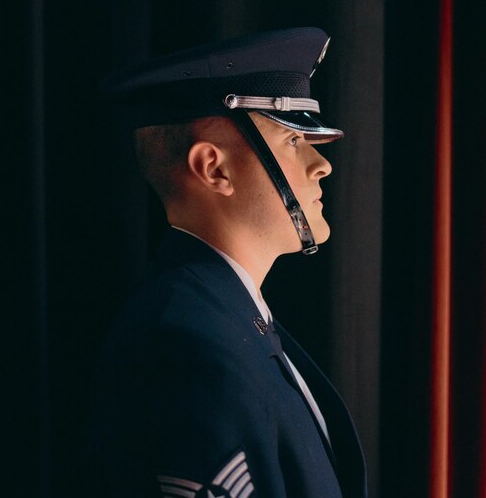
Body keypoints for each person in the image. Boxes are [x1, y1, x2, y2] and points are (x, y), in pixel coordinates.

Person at [89, 28, 366, 498]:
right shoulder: (190, 348)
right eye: (293, 143)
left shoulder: (226, 315)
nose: (322, 165)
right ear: (214, 169)